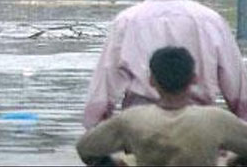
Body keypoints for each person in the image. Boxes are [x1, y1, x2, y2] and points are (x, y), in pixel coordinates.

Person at [83, 0, 247, 130]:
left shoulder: (126, 21)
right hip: (199, 127)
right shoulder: (211, 20)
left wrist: (98, 133)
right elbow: (238, 89)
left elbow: (103, 88)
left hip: (140, 129)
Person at [77, 47, 247, 166]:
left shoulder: (132, 119)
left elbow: (86, 149)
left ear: (151, 80)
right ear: (194, 79)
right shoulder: (216, 119)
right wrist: (235, 160)